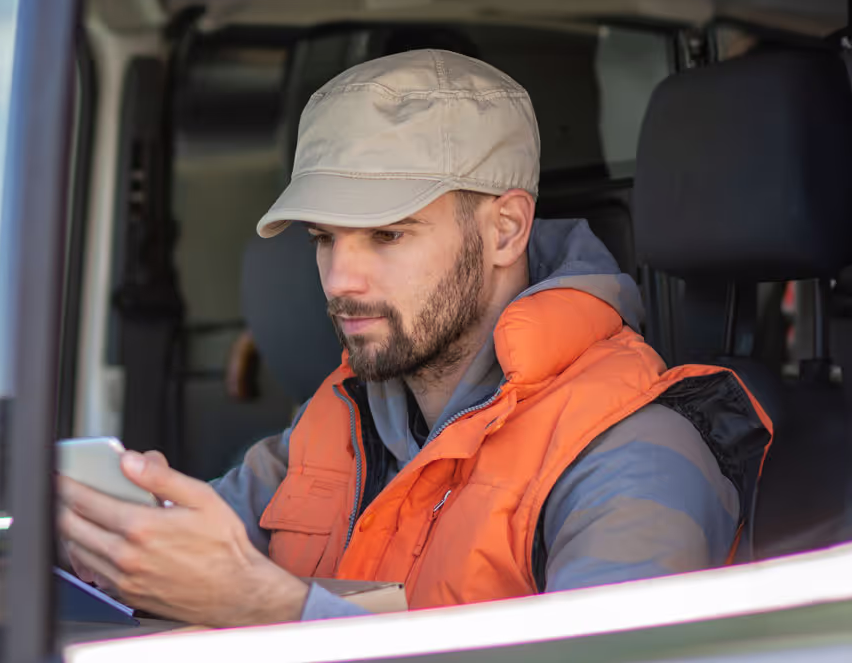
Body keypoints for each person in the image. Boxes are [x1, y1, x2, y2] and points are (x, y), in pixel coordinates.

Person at [58, 50, 772, 627]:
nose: (340, 278)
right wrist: (104, 533)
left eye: (387, 233)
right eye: (323, 237)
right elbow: (195, 552)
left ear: (505, 230)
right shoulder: (340, 420)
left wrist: (270, 607)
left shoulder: (633, 458)